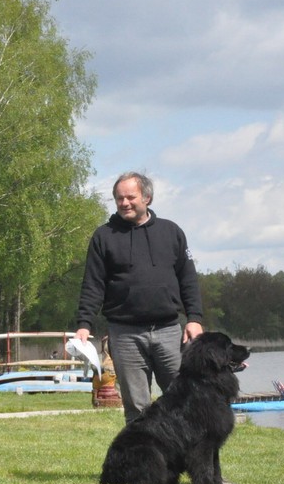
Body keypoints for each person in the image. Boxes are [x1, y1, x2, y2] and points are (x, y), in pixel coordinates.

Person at [75, 171, 204, 425]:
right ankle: (144, 452)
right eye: (119, 198)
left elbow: (188, 279)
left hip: (169, 331)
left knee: (185, 402)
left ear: (147, 198)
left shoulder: (172, 232)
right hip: (125, 335)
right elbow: (93, 284)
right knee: (137, 409)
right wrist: (84, 324)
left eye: (130, 197)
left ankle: (188, 450)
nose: (124, 203)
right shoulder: (103, 236)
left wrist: (195, 318)